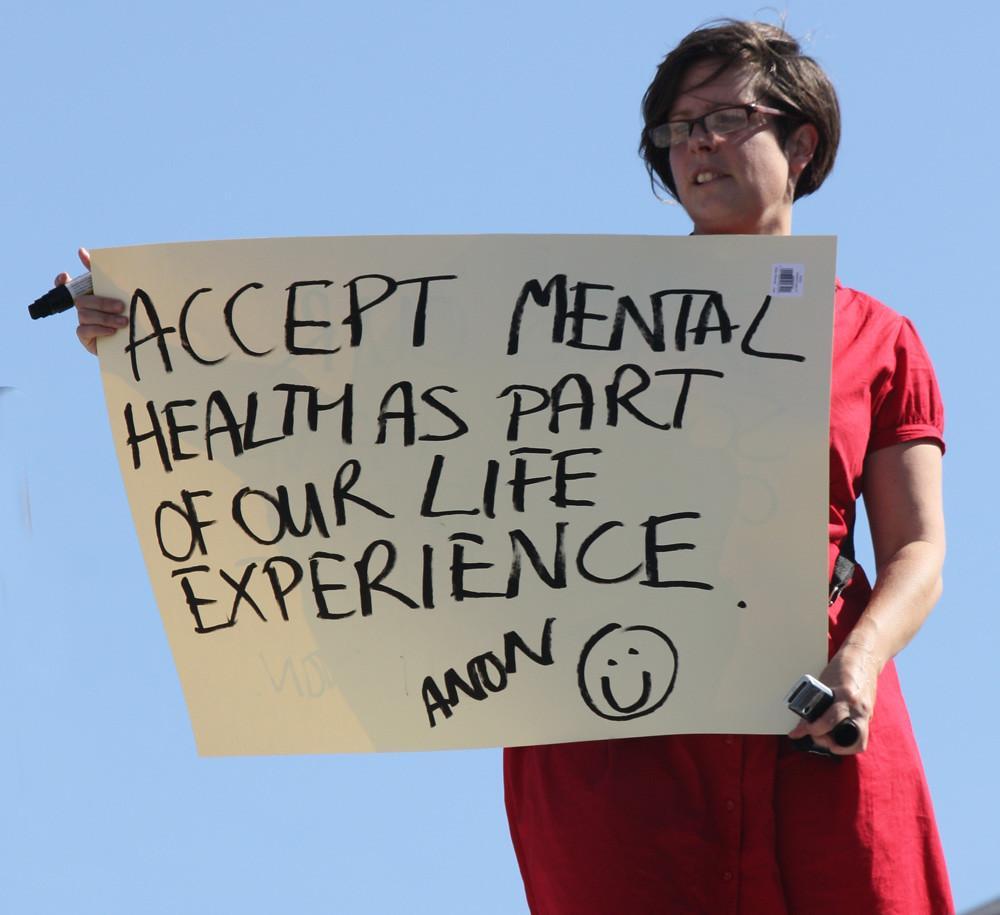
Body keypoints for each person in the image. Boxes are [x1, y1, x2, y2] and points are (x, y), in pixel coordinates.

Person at [63, 19, 952, 914]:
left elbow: (918, 549)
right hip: (609, 725)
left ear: (802, 143)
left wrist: (860, 662)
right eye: (678, 128)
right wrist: (162, 324)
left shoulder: (878, 338)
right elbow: (353, 391)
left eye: (726, 117)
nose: (699, 145)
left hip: (816, 722)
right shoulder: (556, 328)